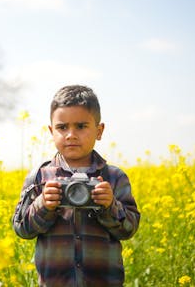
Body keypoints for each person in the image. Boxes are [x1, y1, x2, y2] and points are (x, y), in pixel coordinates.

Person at [12, 85, 140, 287]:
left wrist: (109, 206)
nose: (71, 135)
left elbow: (129, 229)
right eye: (62, 127)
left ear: (99, 131)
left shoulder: (114, 177)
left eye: (81, 126)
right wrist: (43, 204)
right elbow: (21, 229)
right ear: (51, 131)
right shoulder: (39, 176)